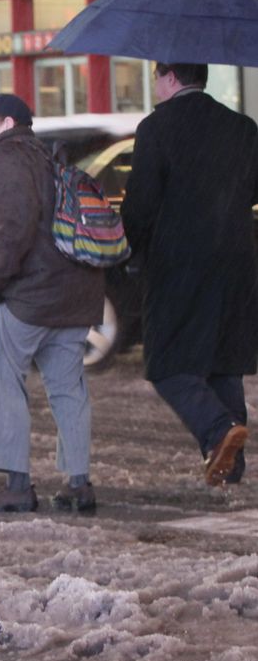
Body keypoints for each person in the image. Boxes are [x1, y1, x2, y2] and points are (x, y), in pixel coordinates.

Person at [0, 94, 105, 513]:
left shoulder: (7, 159)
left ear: (7, 123)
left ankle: (17, 485)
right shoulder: (45, 156)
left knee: (3, 383)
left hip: (30, 296)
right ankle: (79, 483)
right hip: (73, 294)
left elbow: (12, 228)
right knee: (67, 387)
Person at [121, 62, 258, 486]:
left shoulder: (157, 128)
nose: (156, 86)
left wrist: (128, 245)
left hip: (180, 261)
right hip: (237, 257)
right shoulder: (243, 127)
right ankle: (229, 467)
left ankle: (218, 432)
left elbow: (141, 203)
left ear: (171, 78)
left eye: (157, 78)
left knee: (166, 362)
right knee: (223, 361)